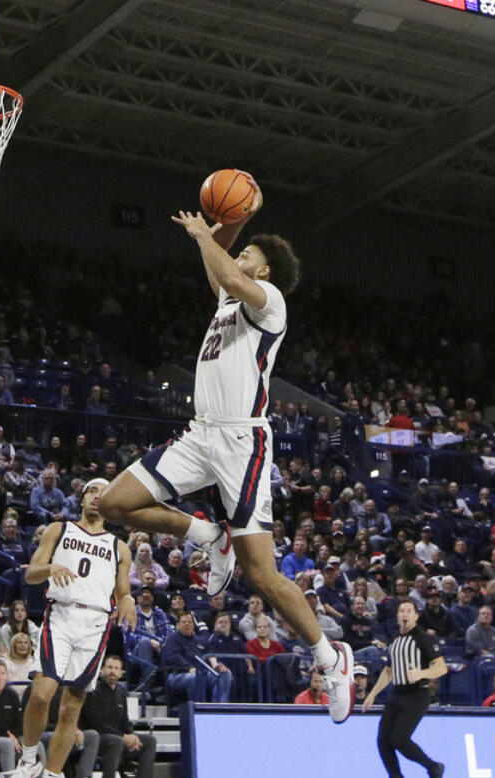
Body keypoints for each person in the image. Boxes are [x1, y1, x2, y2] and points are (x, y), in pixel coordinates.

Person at [96, 185, 354, 725]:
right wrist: (227, 222)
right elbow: (222, 269)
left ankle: (330, 659)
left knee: (261, 573)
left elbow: (229, 273)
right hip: (200, 434)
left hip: (242, 441)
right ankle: (208, 536)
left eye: (247, 258)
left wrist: (202, 235)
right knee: (115, 504)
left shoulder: (270, 303)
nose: (236, 262)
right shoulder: (232, 297)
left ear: (264, 274)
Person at [1, 478, 135, 778]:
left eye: (104, 493)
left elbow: (122, 589)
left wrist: (129, 599)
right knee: (42, 693)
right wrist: (49, 567)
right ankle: (29, 760)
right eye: (92, 490)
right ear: (83, 498)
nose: (97, 497)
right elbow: (31, 574)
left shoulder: (119, 546)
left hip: (96, 625)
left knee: (70, 709)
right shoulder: (59, 530)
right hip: (60, 615)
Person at [363, 600, 446, 778]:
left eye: (409, 611)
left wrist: (421, 673)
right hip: (397, 693)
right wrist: (373, 693)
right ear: (397, 616)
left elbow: (441, 667)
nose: (405, 614)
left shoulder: (423, 639)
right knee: (383, 742)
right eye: (402, 610)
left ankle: (433, 767)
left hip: (417, 693)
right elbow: (389, 671)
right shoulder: (395, 640)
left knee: (400, 739)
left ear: (416, 616)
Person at [79, 655, 163, 778]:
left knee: (149, 741)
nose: (112, 671)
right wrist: (124, 737)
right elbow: (97, 723)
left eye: (116, 668)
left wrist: (132, 736)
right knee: (116, 741)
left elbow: (125, 721)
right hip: (96, 738)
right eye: (109, 667)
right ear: (102, 670)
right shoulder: (93, 691)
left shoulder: (121, 692)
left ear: (121, 672)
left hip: (118, 738)